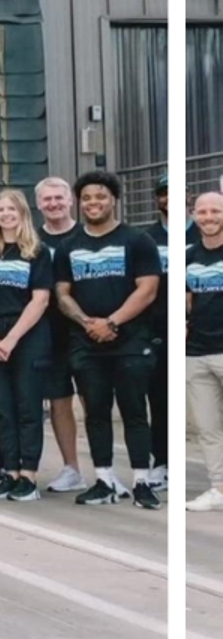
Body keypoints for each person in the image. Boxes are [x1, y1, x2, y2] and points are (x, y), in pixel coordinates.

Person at [52, 170, 161, 509]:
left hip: (131, 341)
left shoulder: (137, 240)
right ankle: (104, 479)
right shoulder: (69, 246)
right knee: (95, 412)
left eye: (100, 197)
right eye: (86, 198)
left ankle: (142, 481)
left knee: (133, 411)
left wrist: (111, 322)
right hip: (86, 344)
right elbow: (62, 293)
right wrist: (88, 323)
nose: (93, 203)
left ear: (113, 199)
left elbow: (148, 289)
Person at [0, 189, 55, 502]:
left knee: (27, 406)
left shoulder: (37, 251)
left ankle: (28, 475)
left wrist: (12, 338)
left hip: (27, 335)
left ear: (22, 214)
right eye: (0, 210)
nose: (5, 214)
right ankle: (10, 470)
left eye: (11, 210)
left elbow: (41, 299)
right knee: (1, 407)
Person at [34, 175, 88, 492]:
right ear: (39, 204)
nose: (53, 204)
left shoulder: (87, 234)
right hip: (47, 332)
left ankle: (105, 469)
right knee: (58, 401)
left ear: (70, 201)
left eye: (59, 198)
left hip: (84, 329)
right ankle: (71, 468)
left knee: (93, 401)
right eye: (47, 199)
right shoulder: (33, 240)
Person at [187, 192, 223, 511]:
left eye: (216, 211)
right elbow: (185, 299)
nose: (209, 217)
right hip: (196, 353)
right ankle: (219, 488)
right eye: (202, 211)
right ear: (193, 214)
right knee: (208, 427)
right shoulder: (189, 254)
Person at [145, 176, 172, 492]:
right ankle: (162, 462)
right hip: (158, 331)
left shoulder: (206, 231)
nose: (170, 198)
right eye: (164, 193)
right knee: (160, 399)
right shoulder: (147, 239)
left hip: (206, 329)